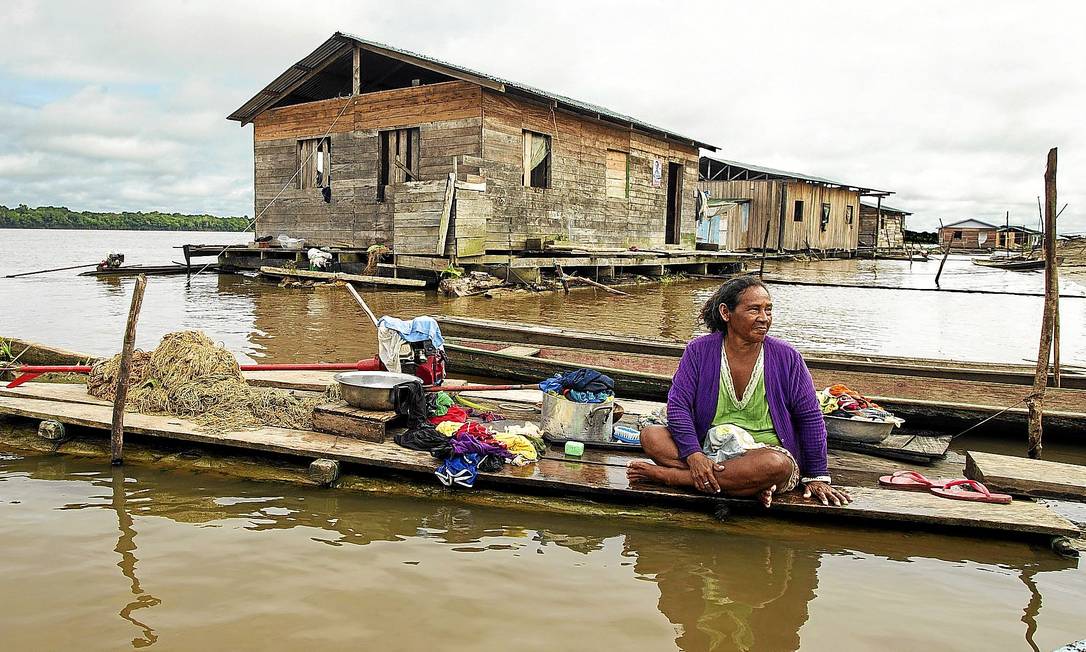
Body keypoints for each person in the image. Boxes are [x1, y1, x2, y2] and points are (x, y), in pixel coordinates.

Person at [627, 276, 851, 507]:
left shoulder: (787, 357)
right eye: (754, 309)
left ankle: (675, 477)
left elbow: (810, 417)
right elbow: (679, 405)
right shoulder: (699, 350)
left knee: (776, 465)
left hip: (763, 454)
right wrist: (694, 455)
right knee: (651, 435)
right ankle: (743, 485)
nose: (764, 318)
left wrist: (816, 475)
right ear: (726, 313)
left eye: (768, 310)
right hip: (710, 448)